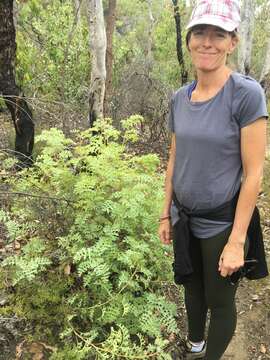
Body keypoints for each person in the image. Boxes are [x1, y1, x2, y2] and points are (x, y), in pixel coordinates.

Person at [158, 1, 268, 359]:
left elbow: (253, 173)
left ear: (232, 42)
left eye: (218, 34)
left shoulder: (245, 95)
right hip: (184, 216)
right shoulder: (179, 98)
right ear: (189, 40)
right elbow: (175, 157)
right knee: (191, 285)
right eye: (200, 33)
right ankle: (195, 344)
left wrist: (237, 242)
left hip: (222, 221)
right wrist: (165, 213)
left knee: (219, 299)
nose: (207, 42)